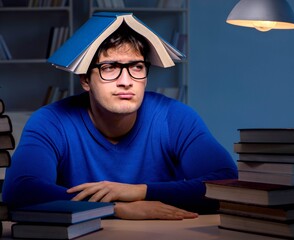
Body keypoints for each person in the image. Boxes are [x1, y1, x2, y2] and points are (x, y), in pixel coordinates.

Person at [3, 20, 238, 220]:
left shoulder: (174, 117)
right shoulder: (51, 121)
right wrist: (115, 208)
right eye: (109, 67)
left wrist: (140, 192)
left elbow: (225, 182)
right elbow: (21, 190)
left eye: (136, 67)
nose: (126, 81)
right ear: (86, 79)